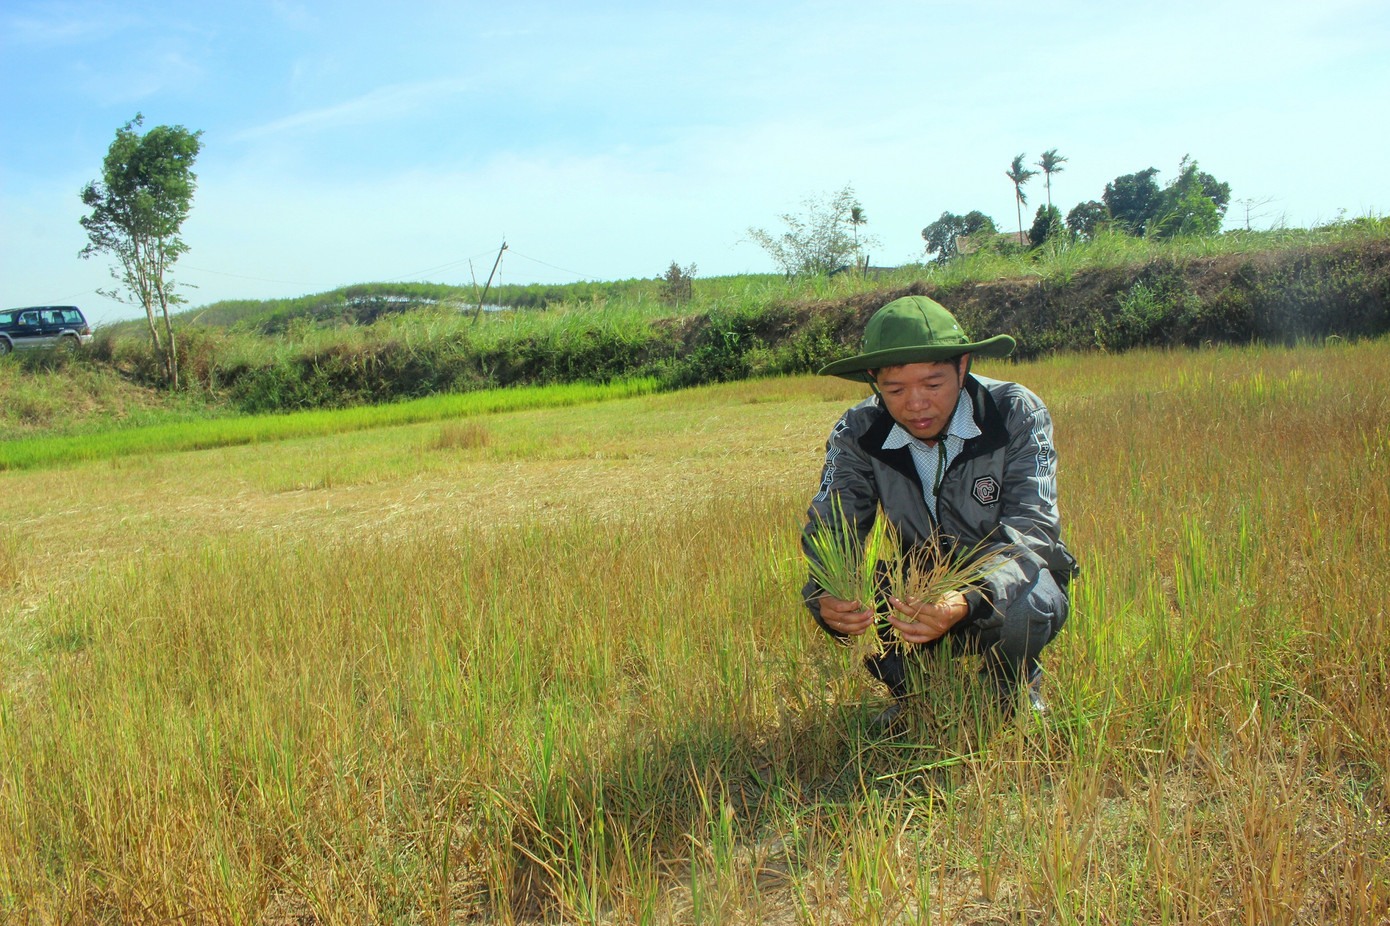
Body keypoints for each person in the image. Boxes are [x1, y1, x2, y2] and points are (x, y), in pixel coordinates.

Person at [802, 295, 1078, 720]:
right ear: (874, 381)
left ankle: (1011, 687)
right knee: (868, 592)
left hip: (999, 581)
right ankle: (913, 690)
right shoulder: (857, 431)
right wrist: (827, 593)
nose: (915, 403)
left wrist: (968, 596)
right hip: (921, 584)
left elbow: (1033, 529)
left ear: (963, 366)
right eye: (895, 389)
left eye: (933, 384)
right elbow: (832, 522)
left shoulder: (1015, 412)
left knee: (1026, 600)